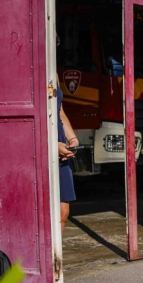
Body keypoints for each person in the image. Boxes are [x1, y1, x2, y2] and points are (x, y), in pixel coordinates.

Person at [56, 85, 78, 232]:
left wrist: (73, 139)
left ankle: (55, 255)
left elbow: (60, 111)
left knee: (62, 212)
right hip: (39, 144)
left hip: (60, 148)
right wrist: (50, 143)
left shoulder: (53, 71)